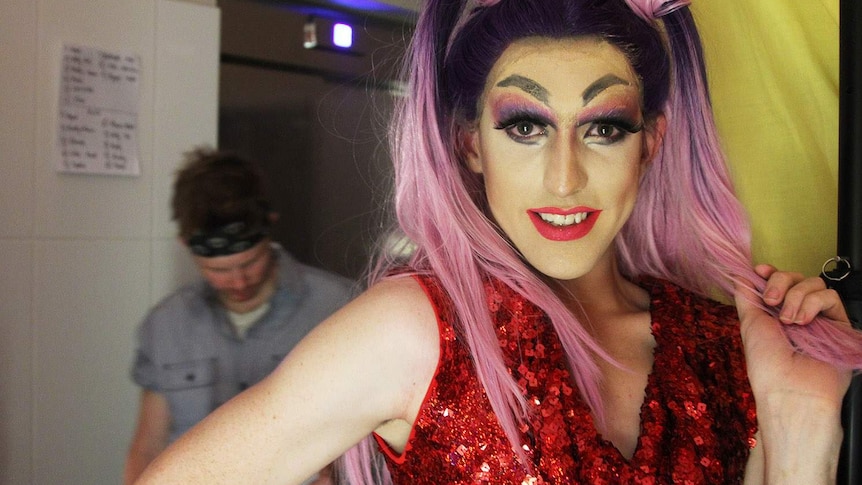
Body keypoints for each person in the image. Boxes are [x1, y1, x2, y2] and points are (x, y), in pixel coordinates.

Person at [135, 1, 862, 483]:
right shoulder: (419, 331)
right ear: (471, 144)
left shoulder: (725, 345)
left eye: (605, 127)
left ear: (651, 144)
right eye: (525, 125)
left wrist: (801, 427)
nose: (565, 176)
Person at [123, 148, 354, 485]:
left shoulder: (337, 308)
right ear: (187, 245)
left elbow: (361, 436)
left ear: (270, 228)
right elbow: (148, 446)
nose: (239, 281)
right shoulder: (166, 326)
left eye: (250, 262)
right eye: (218, 270)